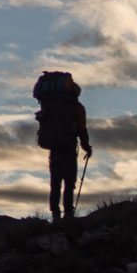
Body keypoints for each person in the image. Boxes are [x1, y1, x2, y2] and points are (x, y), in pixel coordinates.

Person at [46, 86, 92, 222]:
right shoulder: (77, 108)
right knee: (69, 182)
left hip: (54, 150)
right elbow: (82, 129)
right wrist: (86, 147)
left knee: (55, 184)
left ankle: (55, 214)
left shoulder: (54, 106)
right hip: (69, 150)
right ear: (76, 94)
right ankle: (68, 214)